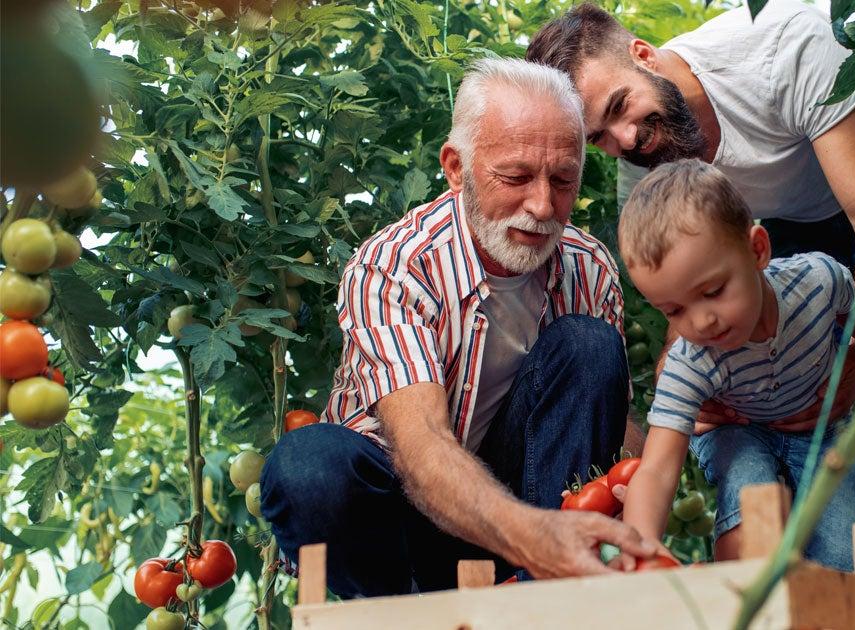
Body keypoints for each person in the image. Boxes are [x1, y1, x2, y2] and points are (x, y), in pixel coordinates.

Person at [527, 3, 855, 625]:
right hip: (751, 239)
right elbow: (681, 310)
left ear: (644, 55)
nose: (622, 141)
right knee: (729, 382)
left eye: (619, 107)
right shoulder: (644, 171)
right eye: (599, 136)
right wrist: (687, 406)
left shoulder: (784, 48)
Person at [258, 57, 657, 598]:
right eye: (515, 177)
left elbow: (604, 429)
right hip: (403, 515)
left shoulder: (588, 267)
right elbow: (421, 445)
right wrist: (534, 535)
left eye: (563, 180)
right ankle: (400, 611)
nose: (542, 206)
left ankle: (548, 594)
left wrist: (659, 461)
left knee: (589, 345)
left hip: (526, 513)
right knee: (308, 467)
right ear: (455, 167)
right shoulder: (394, 266)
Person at [615, 159, 855, 571]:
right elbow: (656, 471)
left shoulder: (816, 281)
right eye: (674, 310)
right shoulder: (689, 363)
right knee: (750, 493)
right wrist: (640, 547)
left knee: (845, 550)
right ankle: (742, 596)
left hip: (814, 429)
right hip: (736, 431)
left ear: (758, 250)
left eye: (713, 291)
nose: (701, 321)